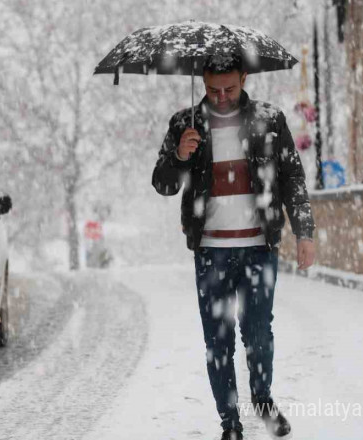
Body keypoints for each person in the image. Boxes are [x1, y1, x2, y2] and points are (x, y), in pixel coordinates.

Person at [152, 52, 316, 440]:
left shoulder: (269, 119)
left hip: (260, 246)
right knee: (217, 338)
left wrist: (304, 231)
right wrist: (179, 156)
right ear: (202, 82)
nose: (221, 96)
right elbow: (163, 183)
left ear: (244, 78)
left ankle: (262, 398)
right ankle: (230, 423)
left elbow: (292, 176)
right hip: (210, 250)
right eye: (212, 89)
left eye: (229, 88)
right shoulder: (184, 124)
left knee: (259, 333)